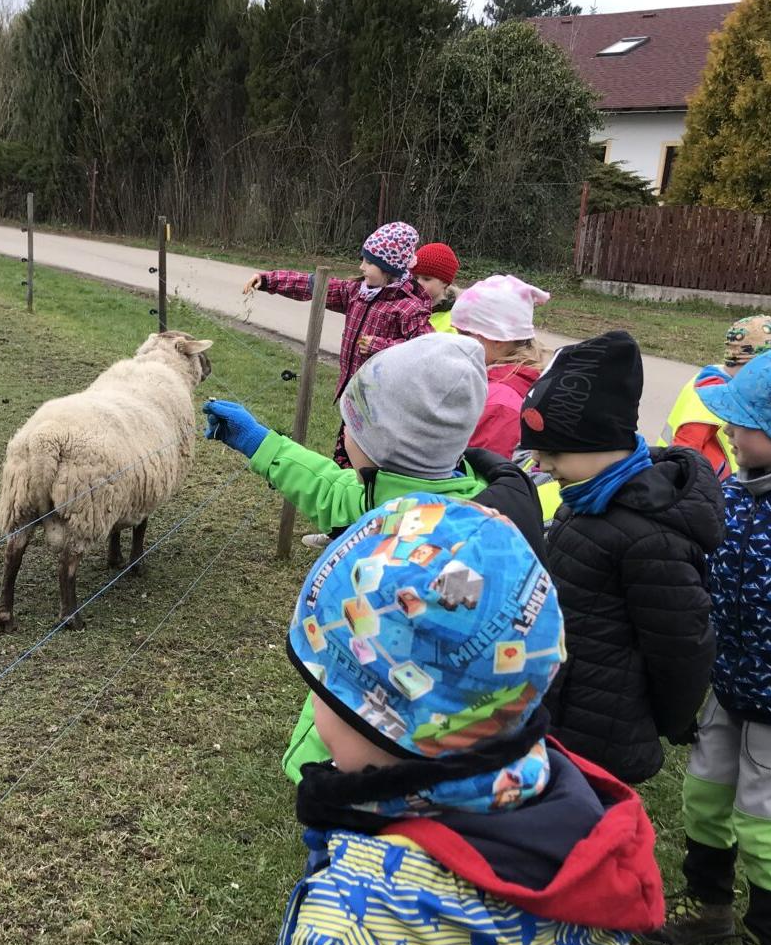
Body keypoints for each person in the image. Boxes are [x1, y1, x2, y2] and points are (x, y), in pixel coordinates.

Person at [160, 495, 663, 945]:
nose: (315, 714)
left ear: (385, 715)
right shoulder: (586, 838)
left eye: (323, 691)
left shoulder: (356, 921)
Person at [204, 333, 545, 805]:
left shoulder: (435, 561)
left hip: (389, 768)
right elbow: (334, 490)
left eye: (352, 424)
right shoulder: (417, 489)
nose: (344, 433)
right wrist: (260, 443)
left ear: (380, 442)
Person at [519, 330, 724, 785]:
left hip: (604, 730)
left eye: (552, 452)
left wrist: (666, 719)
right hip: (559, 709)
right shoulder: (587, 494)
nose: (541, 463)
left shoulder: (651, 537)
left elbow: (683, 646)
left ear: (600, 443)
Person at [644, 349, 771, 945]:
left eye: (745, 423)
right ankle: (709, 906)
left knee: (765, 822)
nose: (728, 430)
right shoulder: (734, 493)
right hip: (727, 681)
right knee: (704, 793)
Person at [244, 221, 431, 475]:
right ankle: (344, 502)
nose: (361, 266)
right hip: (353, 397)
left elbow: (426, 350)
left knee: (372, 466)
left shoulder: (408, 307)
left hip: (383, 407)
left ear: (390, 268)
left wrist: (380, 346)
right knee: (344, 458)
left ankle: (368, 505)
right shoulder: (357, 292)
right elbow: (313, 287)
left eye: (369, 262)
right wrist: (268, 280)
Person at [660, 315, 771, 482]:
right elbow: (684, 450)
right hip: (702, 487)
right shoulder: (714, 392)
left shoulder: (717, 376)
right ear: (751, 366)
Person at [451, 273, 551, 459]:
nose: (458, 341)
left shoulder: (499, 403)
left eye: (465, 334)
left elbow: (480, 468)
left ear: (498, 338)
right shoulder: (508, 379)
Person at [409, 241, 460, 332]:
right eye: (415, 277)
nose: (418, 282)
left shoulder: (454, 319)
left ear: (444, 282)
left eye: (426, 279)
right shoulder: (405, 306)